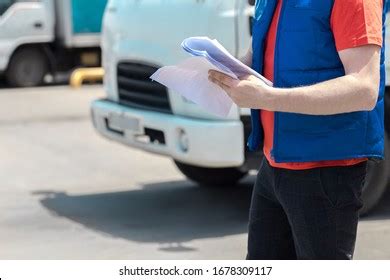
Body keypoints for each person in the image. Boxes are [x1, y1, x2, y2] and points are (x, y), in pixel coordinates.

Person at [209, 0, 386, 260]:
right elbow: (261, 54)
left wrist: (266, 98)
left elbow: (364, 89)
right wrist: (223, 69)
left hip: (325, 170)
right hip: (275, 163)